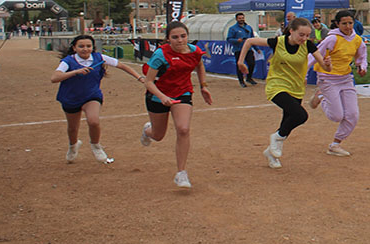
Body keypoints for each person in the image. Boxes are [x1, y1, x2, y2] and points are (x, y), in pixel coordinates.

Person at [237, 17, 330, 169]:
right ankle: (276, 138)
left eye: (307, 35)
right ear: (291, 31)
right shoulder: (277, 42)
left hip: (297, 88)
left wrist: (328, 65)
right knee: (300, 115)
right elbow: (249, 42)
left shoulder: (308, 45)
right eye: (301, 35)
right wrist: (241, 62)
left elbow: (325, 67)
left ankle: (271, 154)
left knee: (287, 122)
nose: (304, 38)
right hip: (277, 85)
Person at [140, 22, 212, 189]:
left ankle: (181, 173)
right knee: (158, 135)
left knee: (183, 129)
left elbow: (199, 65)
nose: (180, 40)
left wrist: (203, 86)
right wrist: (162, 96)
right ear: (168, 39)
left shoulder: (194, 51)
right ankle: (147, 130)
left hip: (183, 93)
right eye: (175, 37)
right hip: (157, 95)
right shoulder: (160, 55)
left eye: (183, 36)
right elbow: (148, 81)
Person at [50, 35, 143, 164]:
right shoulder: (68, 61)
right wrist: (76, 72)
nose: (85, 49)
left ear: (93, 47)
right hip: (70, 98)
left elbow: (122, 66)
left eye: (88, 46)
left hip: (91, 96)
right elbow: (54, 78)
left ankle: (96, 145)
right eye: (81, 46)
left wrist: (139, 78)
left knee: (93, 121)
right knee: (72, 128)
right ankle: (73, 146)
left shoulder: (99, 58)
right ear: (74, 48)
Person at [308, 10, 368, 157]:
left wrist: (362, 67)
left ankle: (335, 145)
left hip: (346, 79)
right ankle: (321, 97)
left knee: (353, 115)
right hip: (327, 78)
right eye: (344, 23)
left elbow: (362, 57)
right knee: (336, 116)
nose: (348, 26)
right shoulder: (332, 39)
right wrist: (301, 72)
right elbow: (314, 55)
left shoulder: (357, 40)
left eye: (350, 23)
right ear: (337, 24)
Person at [227, 12, 257, 88]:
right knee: (240, 65)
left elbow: (252, 39)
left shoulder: (249, 27)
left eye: (242, 18)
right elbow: (229, 39)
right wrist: (237, 40)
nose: (241, 19)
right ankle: (241, 81)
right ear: (236, 19)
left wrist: (257, 49)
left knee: (252, 63)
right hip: (239, 50)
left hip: (248, 49)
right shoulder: (232, 28)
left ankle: (249, 78)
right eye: (240, 18)